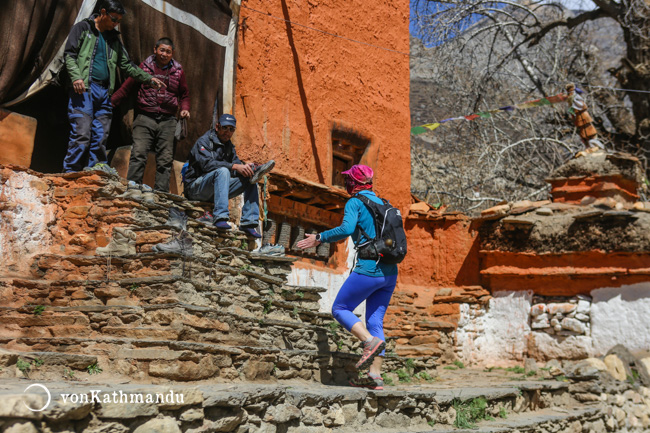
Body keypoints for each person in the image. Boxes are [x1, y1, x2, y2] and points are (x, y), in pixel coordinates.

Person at [296, 164, 398, 390]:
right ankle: (375, 377)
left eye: (348, 180)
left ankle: (367, 342)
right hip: (390, 273)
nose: (346, 183)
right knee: (374, 321)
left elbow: (346, 228)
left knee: (340, 308)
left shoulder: (355, 202)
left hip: (369, 269)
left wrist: (319, 237)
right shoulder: (384, 204)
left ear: (354, 183)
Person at [62, 0, 165, 173]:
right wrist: (76, 77)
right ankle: (70, 172)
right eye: (113, 19)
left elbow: (127, 65)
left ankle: (94, 169)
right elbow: (70, 54)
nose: (116, 24)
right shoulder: (83, 28)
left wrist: (148, 78)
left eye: (118, 21)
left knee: (101, 134)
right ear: (103, 12)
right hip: (84, 89)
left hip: (104, 92)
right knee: (82, 133)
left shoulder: (114, 39)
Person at [111, 37, 190, 192]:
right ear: (155, 50)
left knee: (165, 159)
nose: (164, 54)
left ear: (172, 53)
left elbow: (185, 94)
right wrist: (110, 103)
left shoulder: (178, 71)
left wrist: (184, 108)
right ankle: (133, 189)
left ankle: (161, 194)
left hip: (168, 120)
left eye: (168, 51)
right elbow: (126, 88)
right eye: (161, 50)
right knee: (139, 153)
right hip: (145, 117)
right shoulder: (144, 67)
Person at [183, 113, 275, 238]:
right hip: (195, 189)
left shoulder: (229, 147)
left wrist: (248, 168)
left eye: (231, 129)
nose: (228, 132)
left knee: (251, 178)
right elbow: (207, 165)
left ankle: (249, 223)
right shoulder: (204, 142)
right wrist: (235, 166)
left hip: (213, 190)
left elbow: (237, 166)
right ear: (217, 127)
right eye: (225, 128)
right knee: (223, 171)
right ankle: (220, 216)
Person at [565, 83, 603, 149]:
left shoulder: (576, 97)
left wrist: (574, 103)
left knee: (589, 128)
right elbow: (571, 110)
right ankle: (588, 143)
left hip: (584, 116)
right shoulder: (570, 100)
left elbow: (583, 106)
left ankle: (593, 141)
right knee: (582, 131)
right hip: (578, 117)